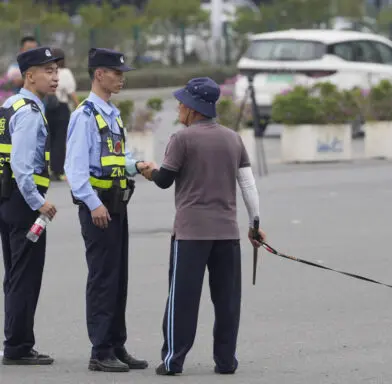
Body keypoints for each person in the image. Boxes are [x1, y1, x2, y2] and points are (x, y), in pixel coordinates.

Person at [140, 77, 266, 376]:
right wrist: (254, 224)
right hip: (227, 234)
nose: (179, 107)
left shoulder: (181, 139)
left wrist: (149, 170)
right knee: (227, 301)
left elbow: (164, 180)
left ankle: (173, 361)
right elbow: (248, 185)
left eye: (183, 102)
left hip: (191, 234)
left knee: (182, 299)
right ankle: (226, 361)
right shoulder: (233, 138)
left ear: (194, 108)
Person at [64, 48, 155, 373]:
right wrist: (93, 204)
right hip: (98, 208)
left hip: (116, 205)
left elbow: (117, 157)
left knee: (119, 279)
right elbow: (74, 171)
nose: (121, 78)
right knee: (103, 279)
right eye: (116, 72)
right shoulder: (84, 115)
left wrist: (137, 164)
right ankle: (100, 350)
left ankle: (116, 344)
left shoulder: (111, 114)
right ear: (99, 74)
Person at [0, 46, 61, 365]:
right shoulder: (28, 113)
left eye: (56, 71)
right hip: (24, 205)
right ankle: (18, 346)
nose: (55, 77)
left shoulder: (10, 105)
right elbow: (22, 167)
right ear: (29, 76)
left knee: (15, 274)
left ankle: (17, 341)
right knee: (25, 276)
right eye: (47, 71)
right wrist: (41, 203)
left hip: (8, 201)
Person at [45, 47, 79, 181]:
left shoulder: (47, 72)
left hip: (48, 108)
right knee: (60, 140)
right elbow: (71, 92)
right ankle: (57, 170)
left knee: (50, 139)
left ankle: (49, 168)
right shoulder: (65, 73)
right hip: (62, 108)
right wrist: (79, 107)